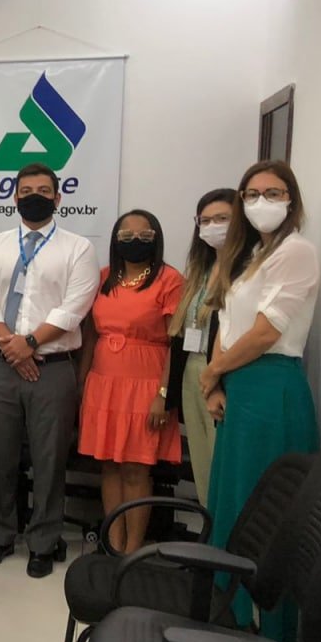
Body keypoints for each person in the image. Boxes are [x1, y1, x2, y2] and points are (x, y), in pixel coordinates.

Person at [202, 160, 320, 642]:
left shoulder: (296, 252)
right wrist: (216, 383)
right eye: (251, 194)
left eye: (272, 193)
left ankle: (264, 635)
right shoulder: (252, 253)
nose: (260, 202)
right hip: (240, 383)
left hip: (271, 387)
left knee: (264, 508)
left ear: (291, 200)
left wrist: (213, 372)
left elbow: (266, 332)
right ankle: (225, 615)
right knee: (232, 502)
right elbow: (227, 322)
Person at [0, 162, 100, 577]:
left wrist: (27, 345)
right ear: (14, 197)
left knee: (49, 459)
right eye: (26, 191)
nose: (34, 197)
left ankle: (44, 542)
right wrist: (14, 348)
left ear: (58, 198)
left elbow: (74, 307)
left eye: (43, 190)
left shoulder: (79, 248)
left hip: (54, 369)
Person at [77, 210, 184, 554]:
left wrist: (164, 395)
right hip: (103, 384)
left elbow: (176, 344)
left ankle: (133, 551)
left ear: (156, 238)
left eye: (144, 235)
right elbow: (90, 336)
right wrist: (82, 385)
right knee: (109, 466)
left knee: (136, 470)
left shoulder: (169, 280)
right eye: (126, 236)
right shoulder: (103, 278)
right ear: (115, 240)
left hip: (146, 387)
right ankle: (113, 544)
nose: (135, 241)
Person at [166, 188, 235, 500]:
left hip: (221, 374)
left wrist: (217, 378)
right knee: (202, 465)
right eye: (205, 221)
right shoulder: (201, 269)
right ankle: (210, 523)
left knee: (224, 466)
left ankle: (224, 527)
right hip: (191, 371)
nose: (212, 227)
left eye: (222, 219)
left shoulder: (246, 270)